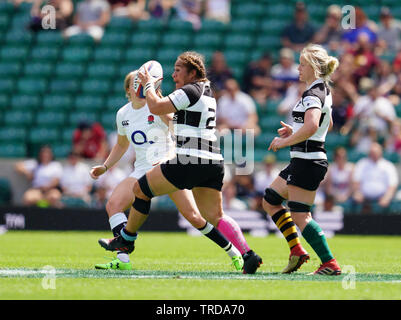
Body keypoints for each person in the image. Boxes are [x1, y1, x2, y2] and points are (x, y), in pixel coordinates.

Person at [99, 52, 263, 274]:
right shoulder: (207, 92)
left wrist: (149, 85)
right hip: (212, 161)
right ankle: (247, 254)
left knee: (141, 189)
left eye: (178, 70)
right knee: (215, 216)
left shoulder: (190, 90)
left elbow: (156, 107)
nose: (173, 74)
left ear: (192, 73)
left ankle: (126, 240)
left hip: (188, 160)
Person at [262, 44, 341, 275]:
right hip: (305, 159)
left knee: (300, 215)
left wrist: (285, 141)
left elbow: (314, 125)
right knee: (270, 200)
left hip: (307, 161)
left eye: (302, 64)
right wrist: (295, 130)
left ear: (314, 68)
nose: (298, 68)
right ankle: (296, 250)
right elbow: (328, 124)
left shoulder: (313, 93)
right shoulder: (323, 91)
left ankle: (329, 263)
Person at [352, 142, 398, 214]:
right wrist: (357, 192)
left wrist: (387, 197)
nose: (374, 154)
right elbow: (356, 181)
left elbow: (392, 185)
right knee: (354, 200)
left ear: (381, 152)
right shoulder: (361, 164)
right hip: (364, 199)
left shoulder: (388, 166)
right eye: (372, 152)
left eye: (376, 152)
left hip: (382, 198)